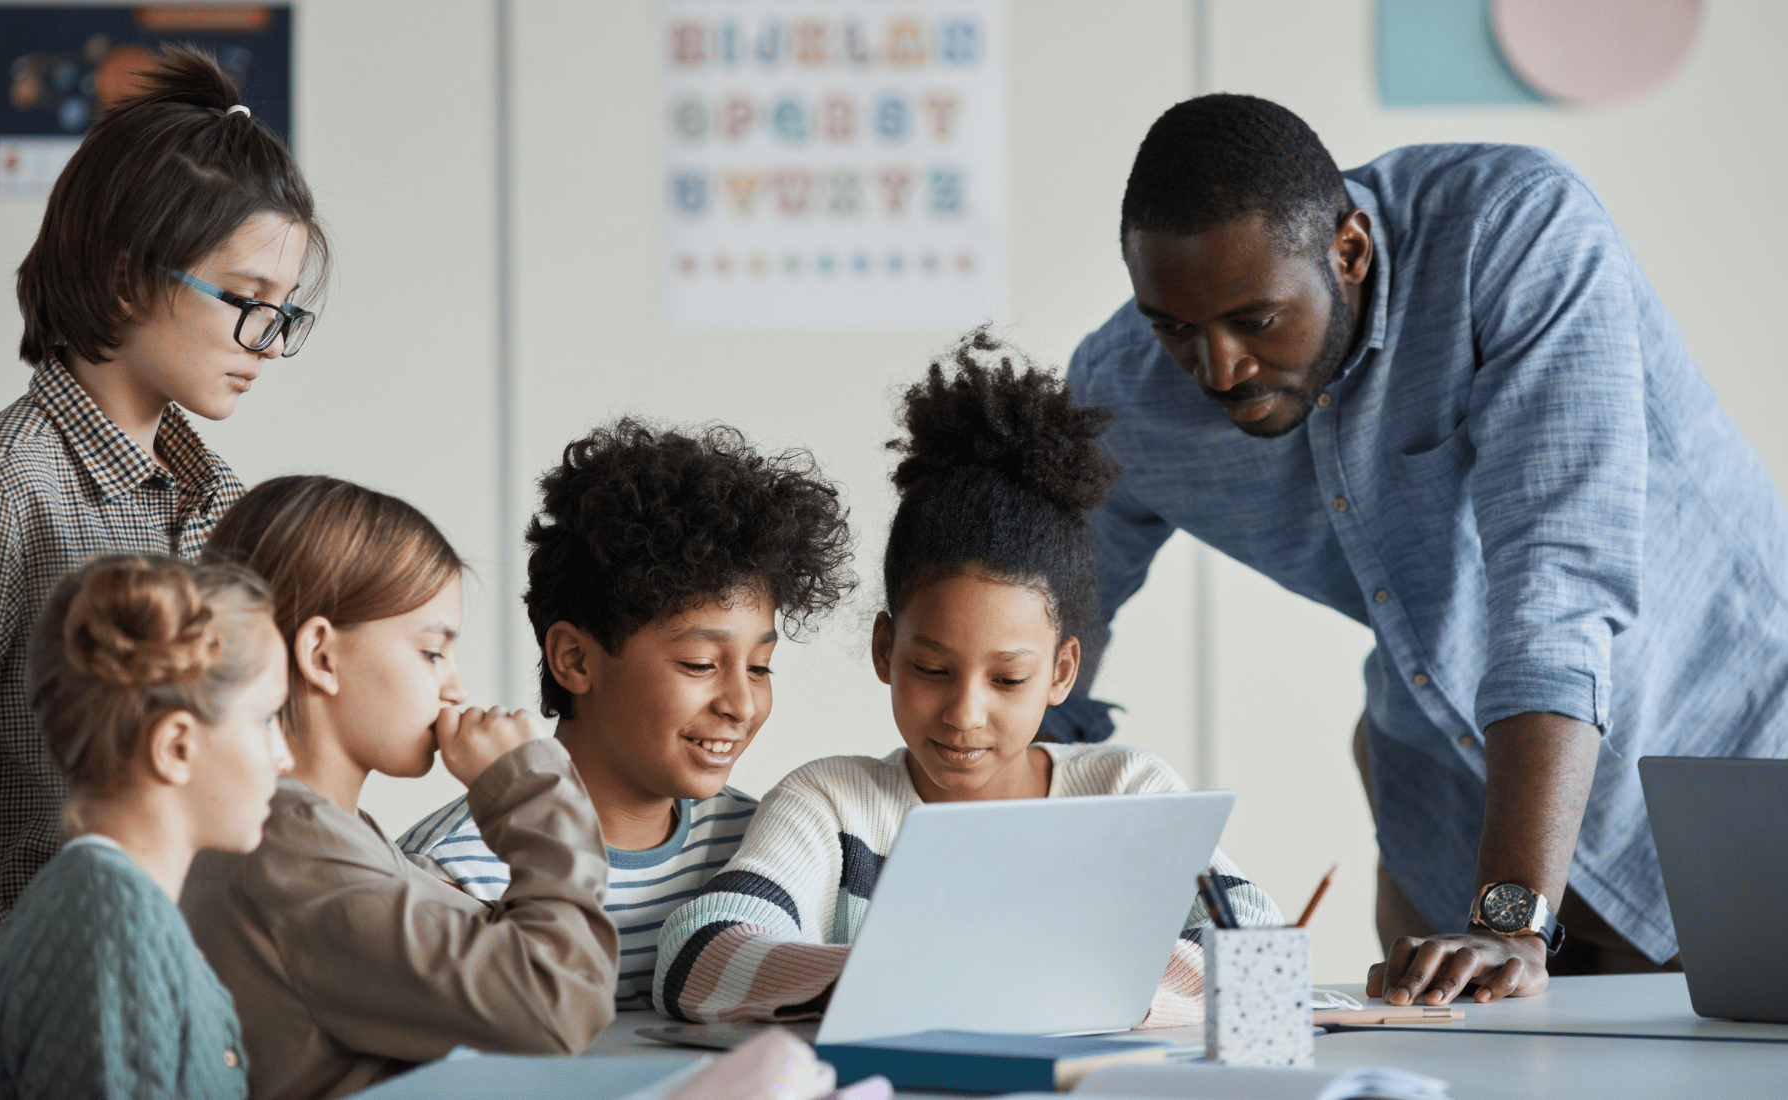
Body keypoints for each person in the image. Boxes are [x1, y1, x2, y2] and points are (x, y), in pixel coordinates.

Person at [1047, 92, 1788, 1006]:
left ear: (1349, 250)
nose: (1220, 368)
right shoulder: (1123, 389)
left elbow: (1553, 598)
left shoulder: (1513, 233)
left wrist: (1509, 919)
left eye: (1257, 319)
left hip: (1727, 775)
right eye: (1174, 328)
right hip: (1445, 820)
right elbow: (1037, 642)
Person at [654, 331, 1280, 1026]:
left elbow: (1257, 941)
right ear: (885, 649)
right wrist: (929, 971)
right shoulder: (834, 808)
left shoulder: (1128, 797)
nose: (964, 713)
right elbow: (700, 955)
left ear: (1062, 671)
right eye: (931, 668)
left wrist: (1025, 985)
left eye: (1009, 680)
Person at [0, 45, 324, 1044]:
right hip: (9, 1027)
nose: (266, 342)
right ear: (125, 276)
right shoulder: (1, 492)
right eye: (245, 299)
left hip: (157, 1005)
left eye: (287, 312)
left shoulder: (221, 501)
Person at [180, 476, 617, 1100]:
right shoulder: (288, 846)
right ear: (322, 657)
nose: (456, 689)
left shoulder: (315, 832)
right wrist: (531, 792)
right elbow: (553, 1001)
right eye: (433, 652)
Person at [399, 419, 857, 1010]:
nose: (741, 704)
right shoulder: (454, 872)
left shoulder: (764, 851)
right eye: (698, 663)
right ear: (574, 659)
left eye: (761, 666)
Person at [0, 555, 292, 1099]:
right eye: (268, 718)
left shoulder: (110, 908)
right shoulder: (114, 927)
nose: (284, 756)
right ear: (176, 746)